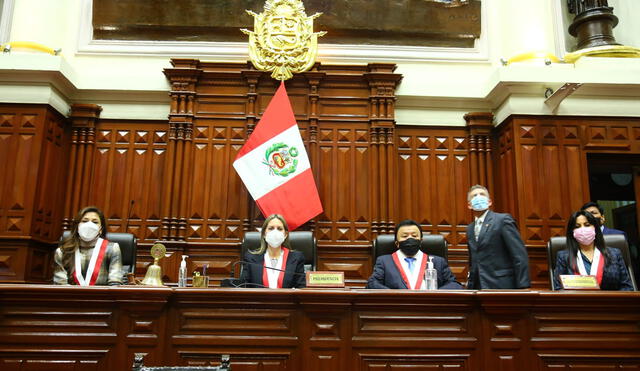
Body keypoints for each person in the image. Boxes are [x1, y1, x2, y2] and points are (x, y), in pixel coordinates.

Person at [466, 185, 530, 289]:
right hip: (478, 286)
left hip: (501, 285)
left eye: (482, 194)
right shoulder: (470, 228)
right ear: (469, 205)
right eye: (474, 196)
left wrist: (523, 286)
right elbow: (473, 259)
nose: (478, 197)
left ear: (489, 202)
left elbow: (519, 254)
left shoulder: (503, 220)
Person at [366, 219, 462, 290]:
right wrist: (395, 296)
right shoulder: (384, 261)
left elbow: (455, 285)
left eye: (414, 236)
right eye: (404, 236)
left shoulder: (438, 261)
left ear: (421, 241)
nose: (410, 239)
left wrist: (435, 294)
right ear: (397, 243)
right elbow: (372, 284)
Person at [553, 210, 633, 291]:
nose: (582, 229)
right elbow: (558, 288)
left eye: (587, 225)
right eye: (577, 226)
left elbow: (627, 287)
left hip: (611, 302)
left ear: (595, 228)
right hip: (578, 302)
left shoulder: (614, 254)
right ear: (572, 231)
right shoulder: (563, 256)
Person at [53, 206, 123, 286]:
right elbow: (60, 285)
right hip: (71, 297)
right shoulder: (62, 252)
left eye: (95, 222)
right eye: (84, 221)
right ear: (77, 226)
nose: (89, 224)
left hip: (102, 297)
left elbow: (115, 284)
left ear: (101, 229)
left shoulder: (112, 249)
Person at [239, 214, 306, 288]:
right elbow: (243, 287)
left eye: (280, 229)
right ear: (264, 233)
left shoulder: (296, 258)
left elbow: (301, 288)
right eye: (271, 228)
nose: (275, 232)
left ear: (285, 234)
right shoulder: (250, 258)